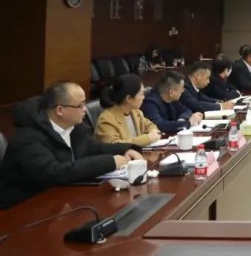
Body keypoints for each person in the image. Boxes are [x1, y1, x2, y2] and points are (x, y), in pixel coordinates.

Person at [0, 82, 142, 209]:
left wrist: (126, 149)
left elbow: (93, 148)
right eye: (80, 105)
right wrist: (109, 162)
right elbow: (53, 172)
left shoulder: (74, 127)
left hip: (60, 199)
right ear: (60, 110)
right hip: (23, 209)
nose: (85, 109)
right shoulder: (28, 138)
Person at [95, 74, 162, 146]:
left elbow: (150, 126)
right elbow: (114, 146)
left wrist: (153, 132)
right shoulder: (106, 119)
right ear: (128, 98)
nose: (144, 97)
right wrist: (147, 138)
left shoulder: (136, 112)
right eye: (142, 94)